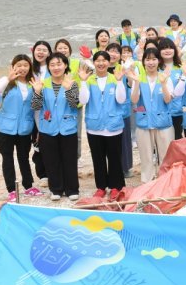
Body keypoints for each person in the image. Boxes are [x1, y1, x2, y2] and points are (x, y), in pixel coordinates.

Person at [31, 52, 81, 201]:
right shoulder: (43, 83)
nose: (56, 67)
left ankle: (72, 188)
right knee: (51, 160)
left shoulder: (71, 82)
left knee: (70, 159)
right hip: (48, 127)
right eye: (52, 65)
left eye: (59, 64)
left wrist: (68, 90)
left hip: (68, 126)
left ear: (65, 65)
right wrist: (37, 91)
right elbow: (36, 106)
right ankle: (56, 189)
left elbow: (74, 105)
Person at [0, 54, 39, 201]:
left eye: (25, 65)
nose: (22, 68)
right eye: (19, 65)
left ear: (30, 67)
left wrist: (39, 129)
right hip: (5, 128)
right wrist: (7, 79)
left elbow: (36, 109)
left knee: (24, 158)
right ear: (13, 66)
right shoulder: (6, 82)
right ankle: (11, 190)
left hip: (25, 128)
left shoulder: (33, 83)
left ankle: (28, 187)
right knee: (7, 158)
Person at [79, 50, 128, 201]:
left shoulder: (115, 78)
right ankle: (101, 187)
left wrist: (120, 81)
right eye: (98, 60)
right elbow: (84, 100)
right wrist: (83, 81)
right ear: (93, 63)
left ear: (108, 63)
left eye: (104, 60)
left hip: (113, 125)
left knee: (114, 158)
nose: (101, 63)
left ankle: (116, 187)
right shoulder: (89, 79)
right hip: (94, 126)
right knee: (98, 158)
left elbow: (121, 100)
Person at [129, 47, 177, 182]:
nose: (151, 62)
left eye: (154, 59)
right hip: (143, 123)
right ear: (143, 61)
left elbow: (168, 100)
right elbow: (134, 100)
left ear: (159, 61)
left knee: (166, 157)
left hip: (163, 124)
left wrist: (163, 84)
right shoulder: (139, 78)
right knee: (146, 158)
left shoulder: (165, 78)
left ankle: (165, 182)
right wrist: (136, 83)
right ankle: (147, 183)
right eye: (148, 59)